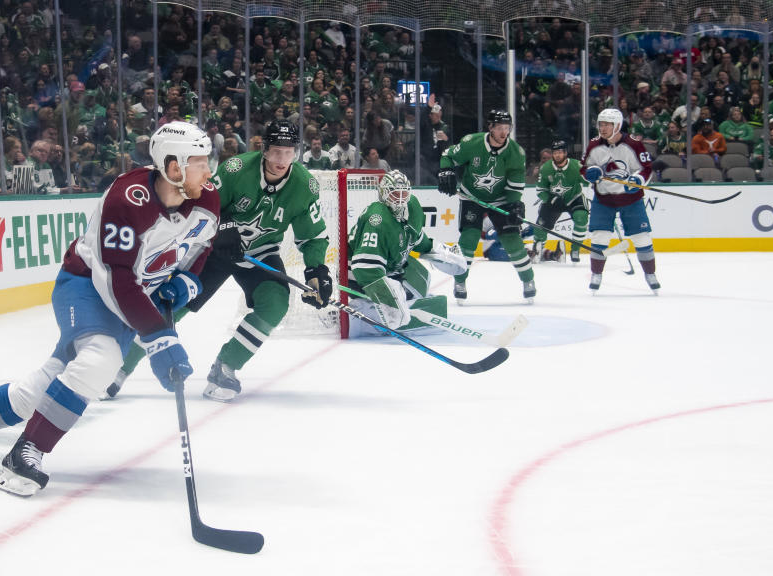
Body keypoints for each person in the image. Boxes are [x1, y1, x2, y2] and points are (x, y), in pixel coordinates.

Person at [0, 121, 219, 496]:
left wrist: (186, 282)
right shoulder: (127, 198)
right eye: (200, 162)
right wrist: (157, 337)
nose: (209, 171)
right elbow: (116, 278)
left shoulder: (207, 198)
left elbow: (200, 247)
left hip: (133, 299)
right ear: (174, 167)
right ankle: (25, 455)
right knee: (100, 361)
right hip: (88, 287)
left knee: (41, 391)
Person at [104, 120, 332, 403]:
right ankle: (119, 368)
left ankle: (226, 367)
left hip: (259, 253)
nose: (281, 160)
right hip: (212, 249)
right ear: (264, 150)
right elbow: (203, 202)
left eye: (288, 153)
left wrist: (316, 270)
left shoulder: (304, 185)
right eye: (275, 152)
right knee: (171, 304)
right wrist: (222, 229)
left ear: (296, 153)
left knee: (275, 302)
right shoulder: (237, 170)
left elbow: (312, 236)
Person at [346, 170, 465, 336]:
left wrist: (435, 250)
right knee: (396, 310)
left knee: (422, 281)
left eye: (404, 193)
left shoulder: (413, 206)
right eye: (395, 195)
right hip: (357, 272)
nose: (401, 199)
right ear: (383, 194)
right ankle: (357, 314)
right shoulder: (377, 218)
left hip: (390, 266)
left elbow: (414, 237)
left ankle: (393, 307)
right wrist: (387, 300)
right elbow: (364, 266)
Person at [437, 109, 536, 303]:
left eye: (507, 128)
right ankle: (460, 281)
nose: (504, 133)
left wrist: (514, 205)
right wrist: (446, 171)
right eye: (499, 128)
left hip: (501, 199)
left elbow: (515, 184)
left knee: (512, 239)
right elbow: (447, 155)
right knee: (469, 238)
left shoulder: (516, 153)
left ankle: (528, 280)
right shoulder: (471, 143)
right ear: (490, 127)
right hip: (472, 197)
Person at [582, 109, 659, 293]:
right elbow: (584, 168)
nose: (603, 128)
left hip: (631, 199)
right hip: (604, 199)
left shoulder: (634, 144)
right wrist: (590, 173)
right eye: (601, 124)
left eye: (607, 124)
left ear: (617, 125)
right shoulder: (593, 144)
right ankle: (596, 274)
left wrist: (638, 180)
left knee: (641, 238)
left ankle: (650, 274)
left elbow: (646, 168)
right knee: (599, 236)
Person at [530, 140, 588, 264]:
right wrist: (551, 199)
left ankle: (575, 249)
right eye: (555, 152)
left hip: (574, 198)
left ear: (565, 153)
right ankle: (538, 249)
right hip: (554, 200)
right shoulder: (546, 168)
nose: (557, 155)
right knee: (540, 225)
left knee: (581, 217)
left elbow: (588, 181)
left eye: (560, 152)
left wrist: (594, 177)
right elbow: (541, 190)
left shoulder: (577, 166)